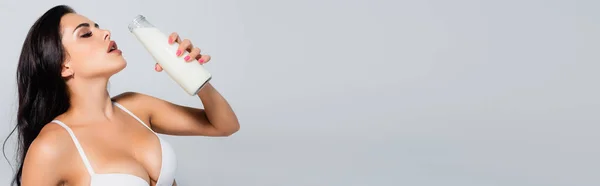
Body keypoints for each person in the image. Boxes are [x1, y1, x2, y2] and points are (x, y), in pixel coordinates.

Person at [4, 4, 240, 186]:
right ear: (63, 66)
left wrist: (192, 74)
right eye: (86, 34)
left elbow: (225, 126)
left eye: (98, 27)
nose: (105, 32)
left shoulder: (136, 106)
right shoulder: (51, 146)